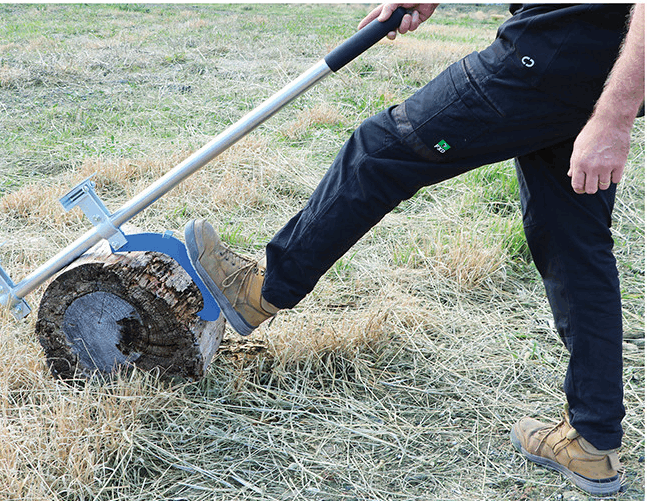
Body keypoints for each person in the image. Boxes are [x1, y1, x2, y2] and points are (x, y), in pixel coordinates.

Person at [184, 3, 644, 496]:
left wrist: (614, 119)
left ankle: (259, 293)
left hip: (553, 56)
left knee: (381, 152)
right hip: (587, 62)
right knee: (574, 241)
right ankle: (592, 444)